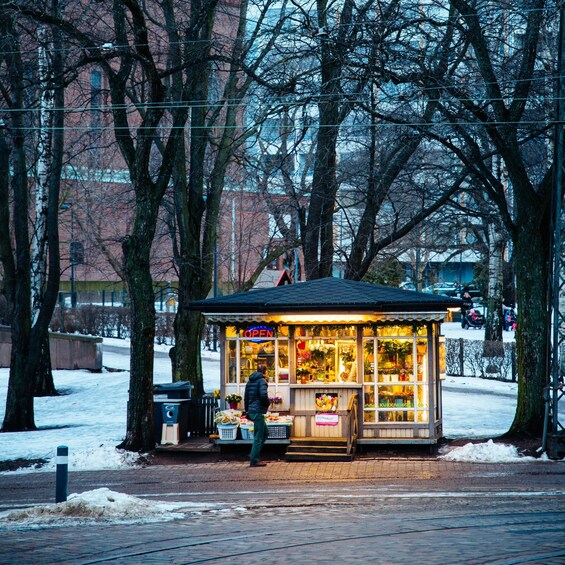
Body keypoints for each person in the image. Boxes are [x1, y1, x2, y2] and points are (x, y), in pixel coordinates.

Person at [244, 363, 270, 467]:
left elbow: (246, 397)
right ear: (265, 371)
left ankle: (253, 453)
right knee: (258, 436)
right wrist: (267, 403)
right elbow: (263, 395)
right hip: (258, 411)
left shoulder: (250, 381)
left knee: (265, 432)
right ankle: (254, 459)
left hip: (252, 410)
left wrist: (247, 410)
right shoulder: (262, 381)